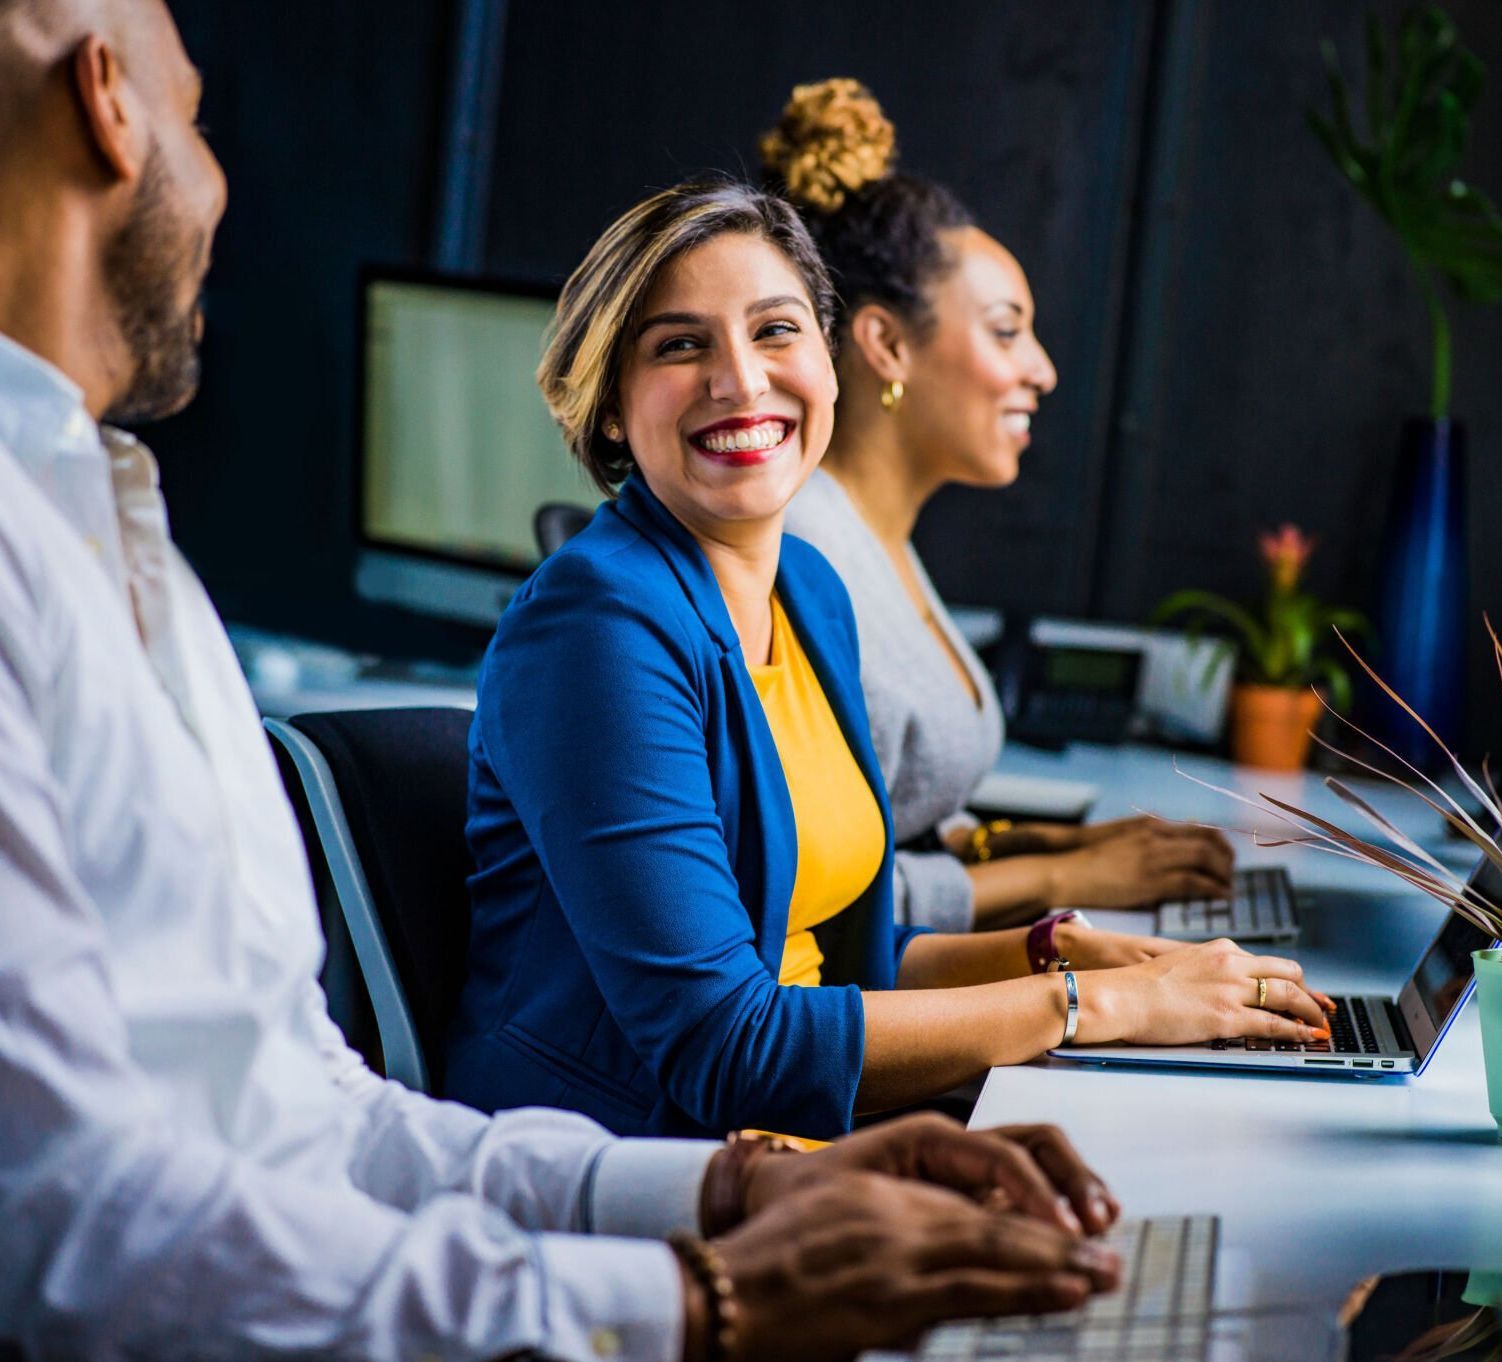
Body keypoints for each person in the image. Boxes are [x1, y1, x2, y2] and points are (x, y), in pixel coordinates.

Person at [0, 2, 1127, 1357]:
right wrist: (707, 1292)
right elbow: (66, 1226)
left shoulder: (113, 534)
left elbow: (311, 1113)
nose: (221, 177)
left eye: (777, 331)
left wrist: (746, 1191)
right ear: (109, 101)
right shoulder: (590, 615)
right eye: (196, 116)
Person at [450, 176, 1333, 1142]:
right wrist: (1097, 1007)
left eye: (777, 331)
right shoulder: (596, 628)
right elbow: (724, 1046)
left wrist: (1063, 955)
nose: (742, 380)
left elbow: (841, 965)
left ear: (831, 364)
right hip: (632, 1171)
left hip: (800, 1140)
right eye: (679, 345)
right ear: (613, 407)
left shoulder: (812, 592)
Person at [774, 79, 1239, 934]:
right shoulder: (806, 558)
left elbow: (894, 821)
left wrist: (1046, 846)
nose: (1042, 369)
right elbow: (823, 903)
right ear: (885, 343)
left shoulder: (878, 539)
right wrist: (1065, 877)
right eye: (1004, 329)